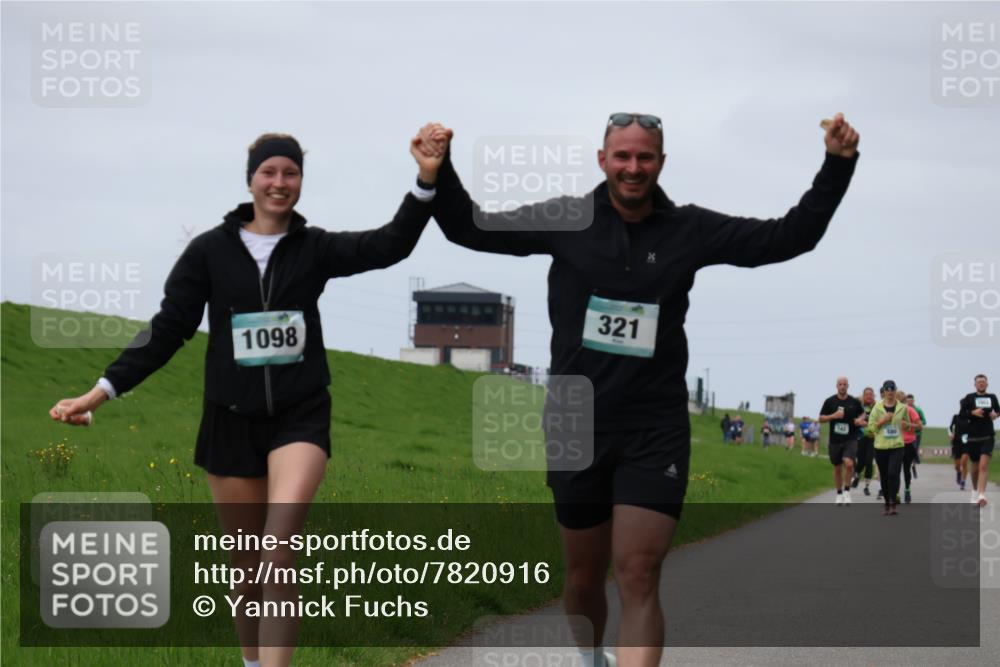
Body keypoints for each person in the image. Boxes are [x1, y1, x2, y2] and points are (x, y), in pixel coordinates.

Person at [412, 110, 859, 665]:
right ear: (602, 160)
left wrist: (838, 164)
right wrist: (438, 168)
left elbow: (789, 236)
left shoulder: (689, 229)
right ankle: (590, 657)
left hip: (655, 425)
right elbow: (469, 227)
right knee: (583, 578)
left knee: (639, 572)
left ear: (661, 163)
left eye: (644, 157)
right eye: (622, 156)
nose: (633, 167)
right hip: (575, 421)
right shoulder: (566, 220)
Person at [49, 131, 436, 667]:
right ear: (250, 180)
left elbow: (389, 244)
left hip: (299, 418)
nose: (280, 183)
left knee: (278, 552)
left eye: (290, 173)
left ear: (301, 181)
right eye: (269, 172)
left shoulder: (315, 248)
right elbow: (168, 330)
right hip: (229, 421)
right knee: (247, 569)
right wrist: (99, 393)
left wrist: (426, 180)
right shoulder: (209, 252)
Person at [818, 377, 865, 505]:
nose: (842, 386)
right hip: (835, 440)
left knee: (849, 464)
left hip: (851, 438)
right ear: (837, 386)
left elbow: (862, 414)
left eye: (844, 384)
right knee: (838, 468)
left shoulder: (854, 402)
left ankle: (847, 491)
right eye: (840, 384)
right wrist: (833, 416)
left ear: (848, 386)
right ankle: (839, 494)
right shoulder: (830, 401)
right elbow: (821, 418)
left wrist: (859, 420)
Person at [869, 380, 910, 516]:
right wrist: (883, 420)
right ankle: (887, 503)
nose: (890, 392)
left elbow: (908, 425)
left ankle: (893, 503)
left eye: (892, 389)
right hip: (881, 447)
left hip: (897, 446)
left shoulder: (903, 407)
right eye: (888, 389)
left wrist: (905, 425)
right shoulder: (877, 407)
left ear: (895, 390)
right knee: (885, 476)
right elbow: (871, 428)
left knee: (893, 473)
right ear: (884, 391)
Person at [959, 374, 1000, 506]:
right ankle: (975, 491)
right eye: (979, 382)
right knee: (975, 467)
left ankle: (982, 494)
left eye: (983, 382)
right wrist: (972, 413)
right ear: (975, 384)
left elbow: (998, 411)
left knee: (983, 465)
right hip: (973, 438)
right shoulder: (969, 397)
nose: (981, 384)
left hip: (987, 437)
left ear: (987, 384)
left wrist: (995, 415)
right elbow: (961, 415)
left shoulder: (992, 397)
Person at [895, 390, 923, 504]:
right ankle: (896, 493)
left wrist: (908, 425)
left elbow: (920, 426)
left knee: (906, 469)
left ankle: (907, 490)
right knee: (895, 470)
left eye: (901, 401)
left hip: (908, 444)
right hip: (895, 444)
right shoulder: (892, 411)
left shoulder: (910, 410)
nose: (899, 403)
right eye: (897, 401)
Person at [854, 387, 877, 496]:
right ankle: (857, 475)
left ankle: (867, 486)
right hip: (860, 437)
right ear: (863, 396)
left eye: (870, 394)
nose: (869, 396)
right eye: (866, 394)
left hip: (872, 438)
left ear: (873, 396)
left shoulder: (877, 407)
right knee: (861, 462)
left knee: (869, 461)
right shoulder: (859, 407)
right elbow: (853, 419)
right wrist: (859, 422)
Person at [949, 411, 970, 490]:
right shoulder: (956, 417)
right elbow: (950, 427)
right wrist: (951, 434)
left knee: (964, 462)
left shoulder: (970, 418)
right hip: (957, 443)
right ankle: (959, 472)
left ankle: (963, 481)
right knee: (957, 466)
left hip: (967, 443)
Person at [907, 393, 926, 473]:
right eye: (908, 401)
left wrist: (917, 423)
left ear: (913, 401)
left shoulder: (918, 410)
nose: (909, 402)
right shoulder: (904, 409)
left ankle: (914, 463)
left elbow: (924, 421)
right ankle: (909, 463)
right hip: (907, 434)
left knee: (915, 448)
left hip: (917, 434)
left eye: (911, 401)